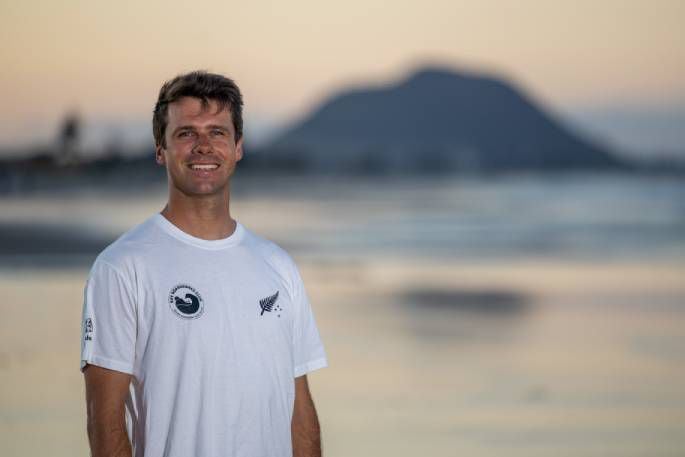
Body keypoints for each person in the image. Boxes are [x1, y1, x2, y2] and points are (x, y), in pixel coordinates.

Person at [80, 71, 328, 457]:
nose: (203, 146)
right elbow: (104, 419)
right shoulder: (122, 267)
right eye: (186, 133)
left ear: (238, 146)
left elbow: (300, 411)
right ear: (161, 149)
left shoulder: (277, 267)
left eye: (217, 132)